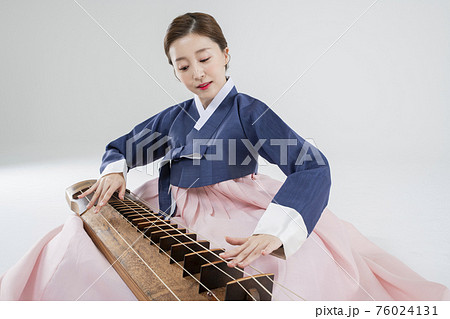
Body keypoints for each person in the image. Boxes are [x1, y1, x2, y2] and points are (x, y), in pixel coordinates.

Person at [1, 12, 449, 301]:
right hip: (168, 200)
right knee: (82, 234)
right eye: (183, 65)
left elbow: (312, 164)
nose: (197, 73)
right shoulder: (176, 116)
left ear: (225, 54)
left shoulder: (250, 111)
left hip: (234, 204)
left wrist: (275, 231)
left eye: (205, 58)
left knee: (257, 272)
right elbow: (123, 146)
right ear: (174, 70)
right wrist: (117, 170)